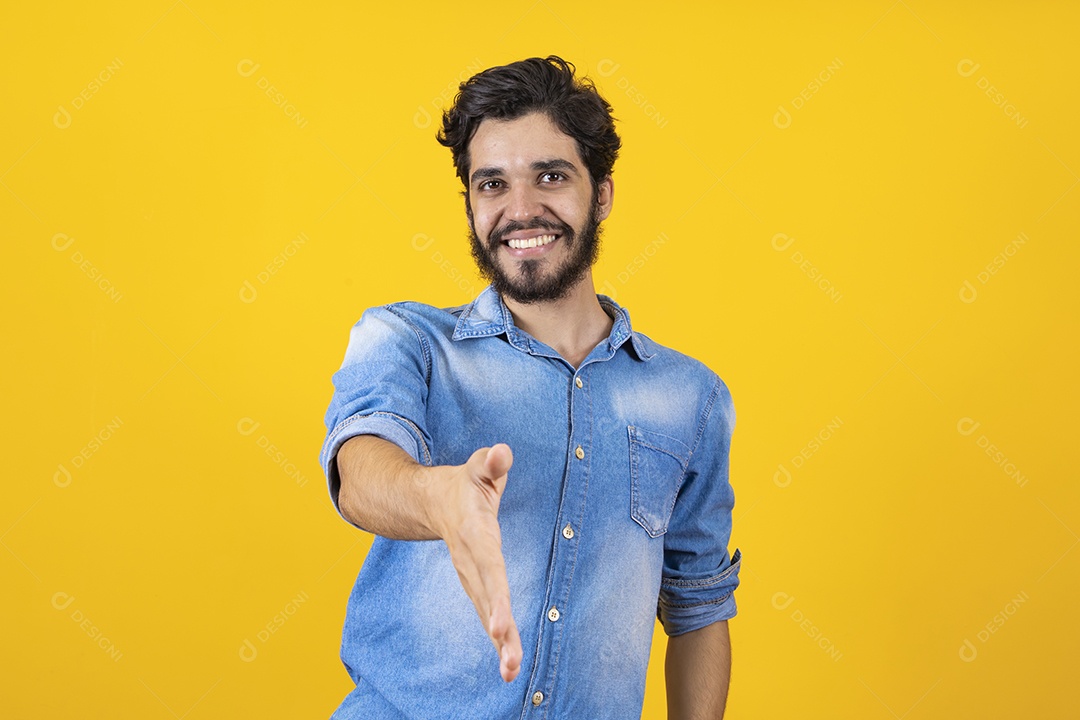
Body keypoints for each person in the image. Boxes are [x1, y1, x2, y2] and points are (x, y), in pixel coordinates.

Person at [319, 55, 741, 719]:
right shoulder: (405, 340)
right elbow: (360, 470)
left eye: (550, 176)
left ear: (601, 194)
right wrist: (440, 498)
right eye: (492, 184)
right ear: (470, 205)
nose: (520, 211)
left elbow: (699, 608)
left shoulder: (691, 398)